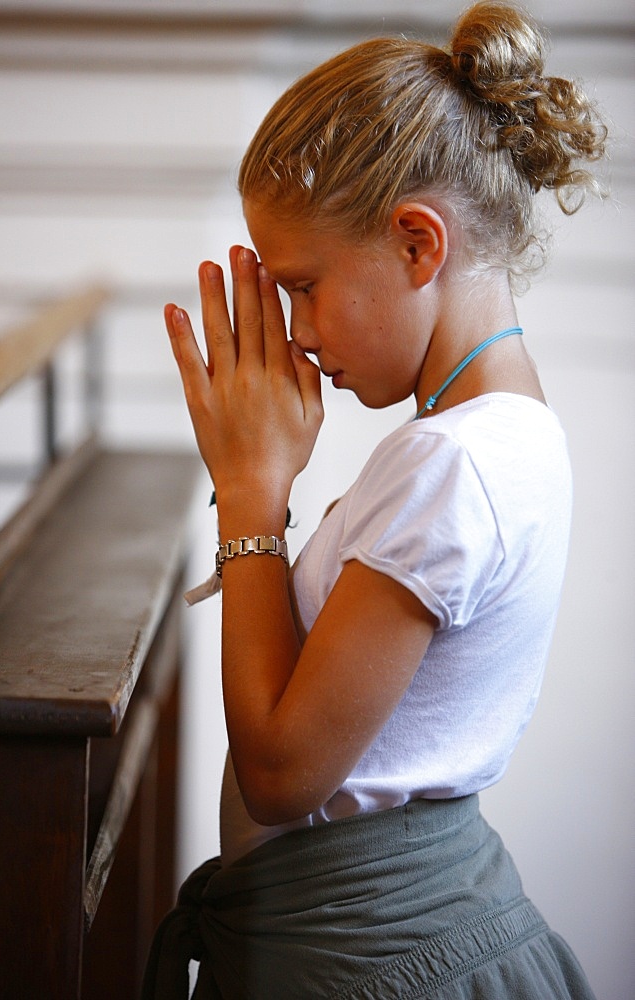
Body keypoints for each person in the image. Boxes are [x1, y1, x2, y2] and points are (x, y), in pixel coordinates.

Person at [142, 3, 607, 997]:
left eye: (303, 286)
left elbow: (280, 772)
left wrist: (250, 498)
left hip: (375, 963)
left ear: (415, 244)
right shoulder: (512, 436)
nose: (295, 330)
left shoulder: (452, 465)